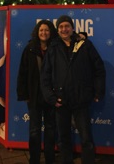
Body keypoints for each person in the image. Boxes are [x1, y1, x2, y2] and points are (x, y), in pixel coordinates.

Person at [41, 15, 106, 164]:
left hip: (81, 99)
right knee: (63, 139)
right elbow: (44, 76)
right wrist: (50, 97)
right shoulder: (53, 48)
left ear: (72, 28)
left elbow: (99, 68)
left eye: (67, 26)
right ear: (57, 30)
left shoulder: (85, 45)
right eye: (61, 27)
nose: (64, 29)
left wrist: (98, 91)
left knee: (86, 138)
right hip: (60, 100)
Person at [17, 19, 58, 164]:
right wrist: (24, 95)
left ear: (51, 32)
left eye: (46, 30)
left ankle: (50, 159)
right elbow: (22, 72)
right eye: (41, 30)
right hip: (34, 96)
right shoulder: (29, 49)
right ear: (37, 32)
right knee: (34, 130)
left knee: (50, 129)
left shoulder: (56, 48)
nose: (44, 33)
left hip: (51, 96)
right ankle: (34, 160)